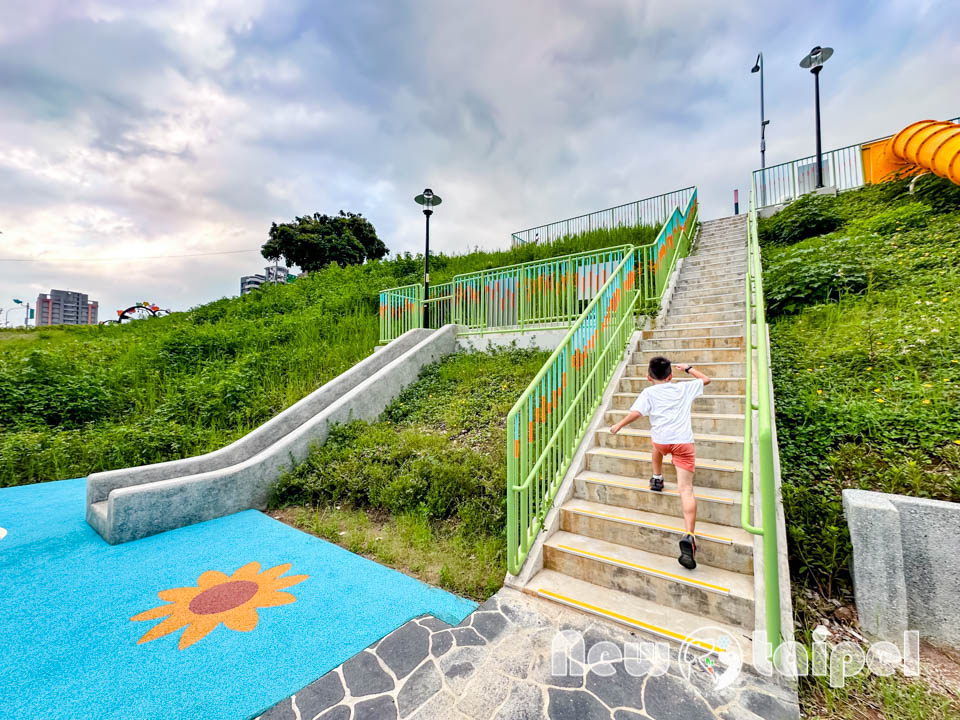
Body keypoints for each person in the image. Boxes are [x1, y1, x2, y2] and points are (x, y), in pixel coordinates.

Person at [609, 355, 711, 569]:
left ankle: (657, 477)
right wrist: (689, 368)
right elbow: (706, 380)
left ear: (648, 377)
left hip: (662, 441)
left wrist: (619, 424)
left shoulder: (648, 392)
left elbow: (636, 413)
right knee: (686, 489)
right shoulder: (683, 388)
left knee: (657, 445)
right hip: (683, 443)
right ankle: (690, 535)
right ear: (671, 376)